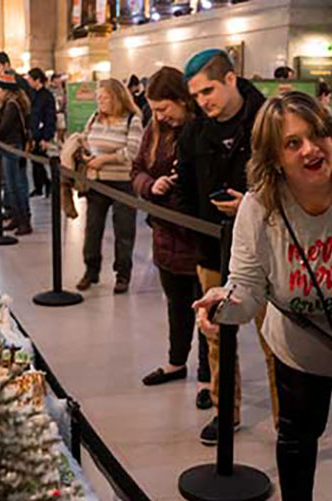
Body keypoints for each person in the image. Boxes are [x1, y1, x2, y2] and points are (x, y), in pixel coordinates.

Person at [195, 91, 332, 501]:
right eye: (293, 143)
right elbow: (246, 287)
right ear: (275, 158)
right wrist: (220, 305)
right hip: (299, 344)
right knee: (298, 439)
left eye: (318, 135)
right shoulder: (260, 206)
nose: (311, 149)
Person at [175, 49, 274, 444]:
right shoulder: (195, 132)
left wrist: (251, 204)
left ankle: (288, 419)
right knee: (216, 336)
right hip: (211, 249)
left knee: (274, 338)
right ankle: (224, 410)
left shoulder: (269, 123)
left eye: (208, 90)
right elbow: (183, 187)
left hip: (267, 250)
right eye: (196, 95)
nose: (203, 101)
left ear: (231, 79)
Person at [132, 67, 211, 406]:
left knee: (207, 313)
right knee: (176, 305)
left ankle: (208, 379)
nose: (159, 116)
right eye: (154, 110)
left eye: (164, 108)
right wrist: (152, 185)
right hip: (165, 234)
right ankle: (177, 362)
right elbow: (137, 170)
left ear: (183, 100)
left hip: (199, 238)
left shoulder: (202, 128)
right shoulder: (155, 130)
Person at [76, 79, 144, 294]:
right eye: (98, 98)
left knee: (124, 231)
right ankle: (91, 270)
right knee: (92, 228)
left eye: (104, 97)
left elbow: (132, 152)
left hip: (123, 183)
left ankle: (123, 274)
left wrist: (104, 159)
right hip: (97, 182)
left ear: (116, 97)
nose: (100, 101)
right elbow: (85, 140)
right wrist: (85, 154)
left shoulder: (132, 120)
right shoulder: (95, 118)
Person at [0, 75, 33, 235]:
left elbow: (2, 129)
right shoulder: (13, 103)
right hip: (12, 147)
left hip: (12, 147)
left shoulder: (11, 106)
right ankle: (17, 218)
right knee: (12, 186)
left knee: (15, 186)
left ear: (6, 90)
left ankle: (24, 221)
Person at [27, 68, 57, 197]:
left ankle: (46, 184)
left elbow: (50, 117)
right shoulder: (33, 94)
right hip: (35, 132)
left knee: (40, 160)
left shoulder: (47, 96)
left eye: (30, 79)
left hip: (42, 133)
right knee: (35, 161)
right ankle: (40, 186)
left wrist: (46, 137)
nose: (28, 81)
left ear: (37, 80)